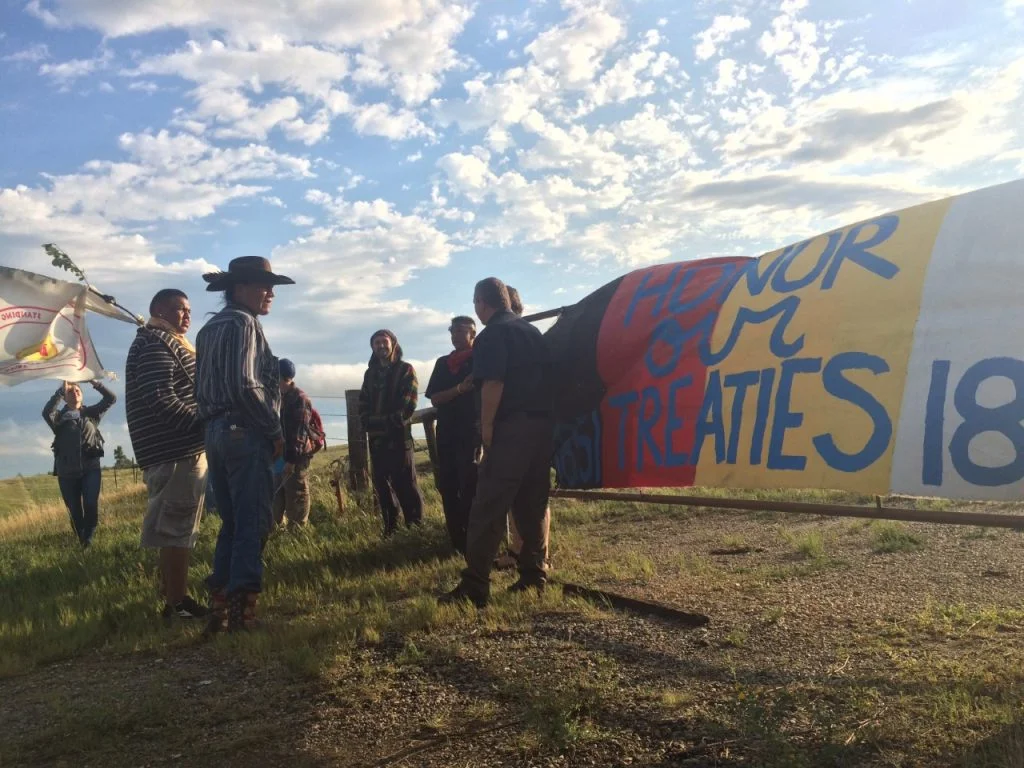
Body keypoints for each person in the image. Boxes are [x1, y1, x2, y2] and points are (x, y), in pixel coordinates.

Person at [440, 277, 553, 607]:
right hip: (542, 427)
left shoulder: (492, 335)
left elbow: (493, 384)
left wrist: (487, 430)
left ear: (480, 302)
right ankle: (534, 574)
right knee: (531, 502)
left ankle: (475, 584)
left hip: (511, 428)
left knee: (488, 504)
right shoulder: (531, 332)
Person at [195, 256, 294, 633]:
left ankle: (219, 607)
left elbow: (201, 389)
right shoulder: (245, 323)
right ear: (239, 289)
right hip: (244, 431)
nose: (270, 293)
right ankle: (243, 612)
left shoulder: (207, 331)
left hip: (214, 432)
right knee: (253, 521)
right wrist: (274, 430)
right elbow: (245, 384)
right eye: (262, 286)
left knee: (232, 522)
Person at [125, 288, 209, 621]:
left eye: (189, 310)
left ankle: (171, 595)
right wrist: (205, 424)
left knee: (177, 527)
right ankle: (176, 603)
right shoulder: (155, 343)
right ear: (158, 309)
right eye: (179, 309)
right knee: (177, 528)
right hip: (176, 450)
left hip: (178, 449)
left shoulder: (165, 340)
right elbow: (161, 398)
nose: (186, 315)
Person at [497, 286, 552, 572]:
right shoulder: (532, 335)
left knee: (528, 498)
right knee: (529, 495)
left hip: (518, 423)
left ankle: (534, 557)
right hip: (538, 421)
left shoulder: (510, 335)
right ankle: (528, 554)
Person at [358, 329, 424, 536]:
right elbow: (363, 405)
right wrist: (370, 422)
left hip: (399, 438)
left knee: (406, 484)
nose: (381, 346)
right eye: (376, 343)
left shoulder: (406, 370)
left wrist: (378, 422)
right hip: (377, 442)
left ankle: (415, 529)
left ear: (393, 344)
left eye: (384, 342)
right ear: (372, 348)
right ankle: (390, 530)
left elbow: (407, 406)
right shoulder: (370, 375)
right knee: (382, 486)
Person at [425, 316, 478, 553]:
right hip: (446, 431)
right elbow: (435, 397)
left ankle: (475, 539)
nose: (455, 335)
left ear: (473, 334)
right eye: (452, 331)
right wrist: (459, 389)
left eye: (460, 331)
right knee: (448, 485)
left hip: (473, 431)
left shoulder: (481, 360)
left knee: (471, 485)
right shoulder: (442, 363)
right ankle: (455, 540)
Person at [42, 379, 116, 547]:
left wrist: (94, 382)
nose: (74, 392)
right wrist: (60, 391)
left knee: (90, 503)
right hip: (66, 473)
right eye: (70, 391)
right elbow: (47, 412)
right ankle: (81, 538)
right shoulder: (58, 418)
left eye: (77, 391)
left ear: (82, 396)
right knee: (74, 509)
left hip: (91, 469)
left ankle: (88, 538)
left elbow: (111, 399)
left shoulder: (91, 413)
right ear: (65, 397)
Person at [273, 358, 314, 529]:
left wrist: (291, 460)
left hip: (295, 457)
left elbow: (300, 432)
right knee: (278, 494)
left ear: (281, 376)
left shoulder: (299, 398)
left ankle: (297, 531)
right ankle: (277, 527)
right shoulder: (276, 397)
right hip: (278, 455)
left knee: (296, 493)